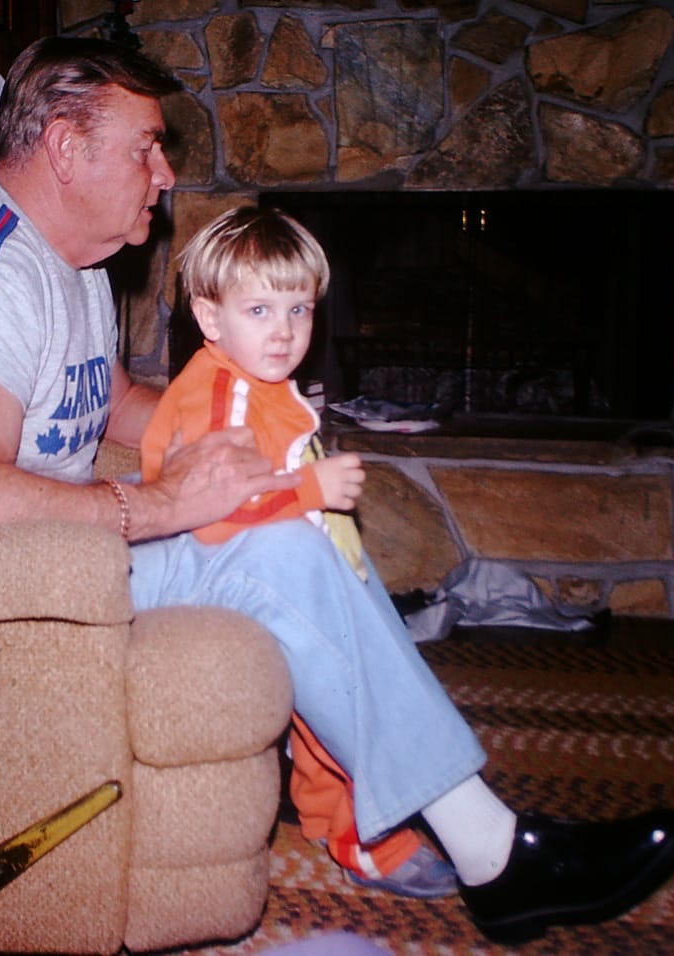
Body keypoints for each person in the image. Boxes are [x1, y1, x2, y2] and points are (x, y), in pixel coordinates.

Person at [0, 35, 674, 946]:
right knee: (270, 551)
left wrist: (249, 425)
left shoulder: (68, 267)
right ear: (68, 151)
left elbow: (111, 400)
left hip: (33, 572)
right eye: (146, 146)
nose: (164, 172)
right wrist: (164, 506)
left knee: (284, 524)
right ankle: (494, 855)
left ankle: (462, 833)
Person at [139, 204, 453, 899]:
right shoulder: (225, 395)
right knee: (330, 688)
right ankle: (364, 832)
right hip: (207, 569)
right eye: (259, 310)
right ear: (212, 319)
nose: (283, 332)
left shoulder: (260, 384)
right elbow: (215, 514)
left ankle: (346, 811)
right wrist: (310, 487)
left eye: (299, 310)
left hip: (253, 558)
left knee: (330, 682)